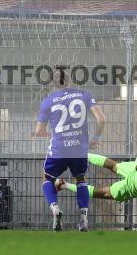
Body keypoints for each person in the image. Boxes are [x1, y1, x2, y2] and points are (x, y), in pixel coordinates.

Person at [33, 70, 106, 232]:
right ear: (70, 79)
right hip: (79, 149)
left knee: (47, 177)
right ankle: (84, 220)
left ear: (54, 83)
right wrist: (94, 138)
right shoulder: (84, 95)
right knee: (80, 179)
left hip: (59, 149)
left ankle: (55, 209)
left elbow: (39, 131)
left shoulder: (48, 101)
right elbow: (101, 119)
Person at [55, 130, 137, 203]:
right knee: (113, 165)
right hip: (135, 172)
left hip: (135, 185)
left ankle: (64, 185)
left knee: (103, 192)